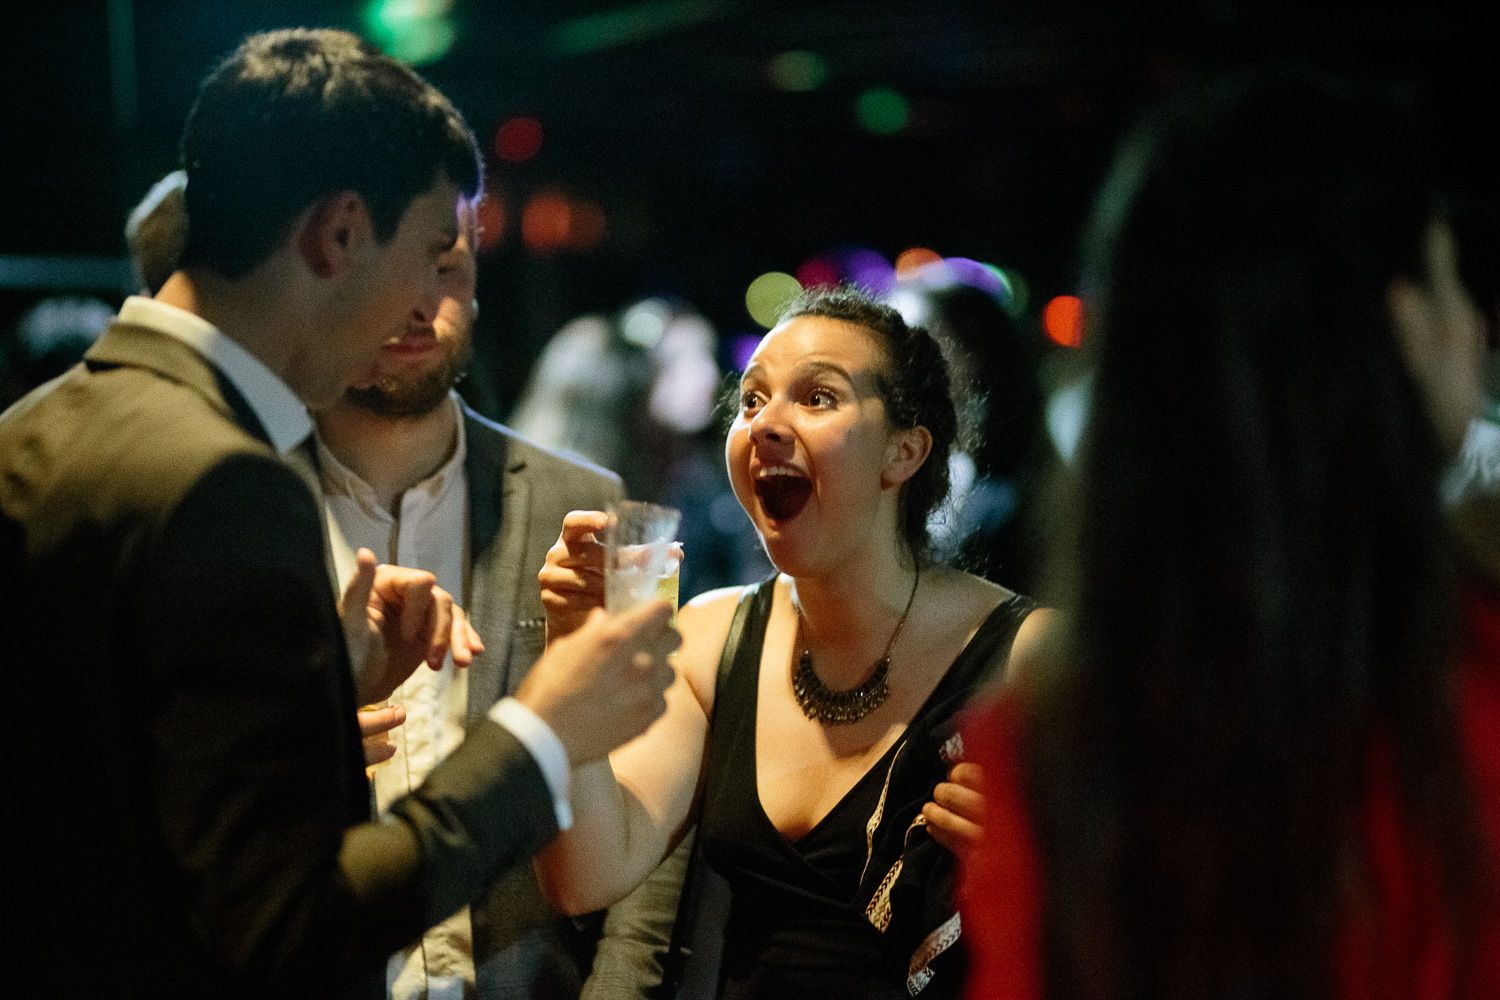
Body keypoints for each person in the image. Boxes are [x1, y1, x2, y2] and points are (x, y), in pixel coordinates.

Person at [1, 29, 675, 998]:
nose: (424, 302)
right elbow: (293, 928)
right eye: (430, 250)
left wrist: (317, 698)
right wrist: (540, 729)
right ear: (341, 233)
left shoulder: (31, 430)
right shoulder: (228, 479)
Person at [959, 71, 1500, 1000]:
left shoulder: (1045, 746)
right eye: (1456, 280)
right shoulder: (1467, 691)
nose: (1478, 328)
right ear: (1402, 325)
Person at [535, 285, 1051, 998]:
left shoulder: (1026, 659)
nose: (765, 424)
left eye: (818, 398)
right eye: (751, 401)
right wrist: (574, 653)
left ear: (904, 452)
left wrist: (1030, 859)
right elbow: (585, 875)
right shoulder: (710, 639)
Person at [310, 199, 625, 999]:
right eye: (389, 271)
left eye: (446, 267)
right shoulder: (243, 497)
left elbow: (639, 786)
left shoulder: (578, 500)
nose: (420, 304)